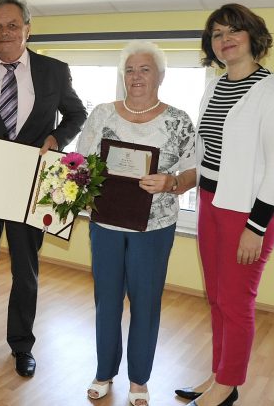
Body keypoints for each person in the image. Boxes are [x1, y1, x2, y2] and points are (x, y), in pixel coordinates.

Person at [0, 0, 87, 377]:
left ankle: (21, 346)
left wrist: (57, 140)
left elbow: (77, 113)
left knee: (25, 271)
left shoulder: (54, 71)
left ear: (28, 28)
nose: (5, 32)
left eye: (13, 25)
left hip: (31, 186)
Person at [175, 4, 274, 406]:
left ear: (252, 36)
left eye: (233, 31)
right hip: (211, 203)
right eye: (217, 34)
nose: (225, 39)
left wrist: (256, 227)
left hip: (248, 212)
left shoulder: (273, 89)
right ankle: (217, 376)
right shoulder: (214, 85)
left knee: (235, 301)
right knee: (215, 298)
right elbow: (204, 147)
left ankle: (228, 387)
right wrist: (188, 181)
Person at [76, 41, 197, 406]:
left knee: (146, 303)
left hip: (155, 228)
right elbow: (80, 164)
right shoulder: (102, 114)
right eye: (130, 70)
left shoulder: (178, 120)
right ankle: (104, 371)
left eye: (145, 69)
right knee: (106, 300)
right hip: (107, 224)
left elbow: (193, 173)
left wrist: (171, 183)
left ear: (160, 75)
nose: (136, 76)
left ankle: (139, 379)